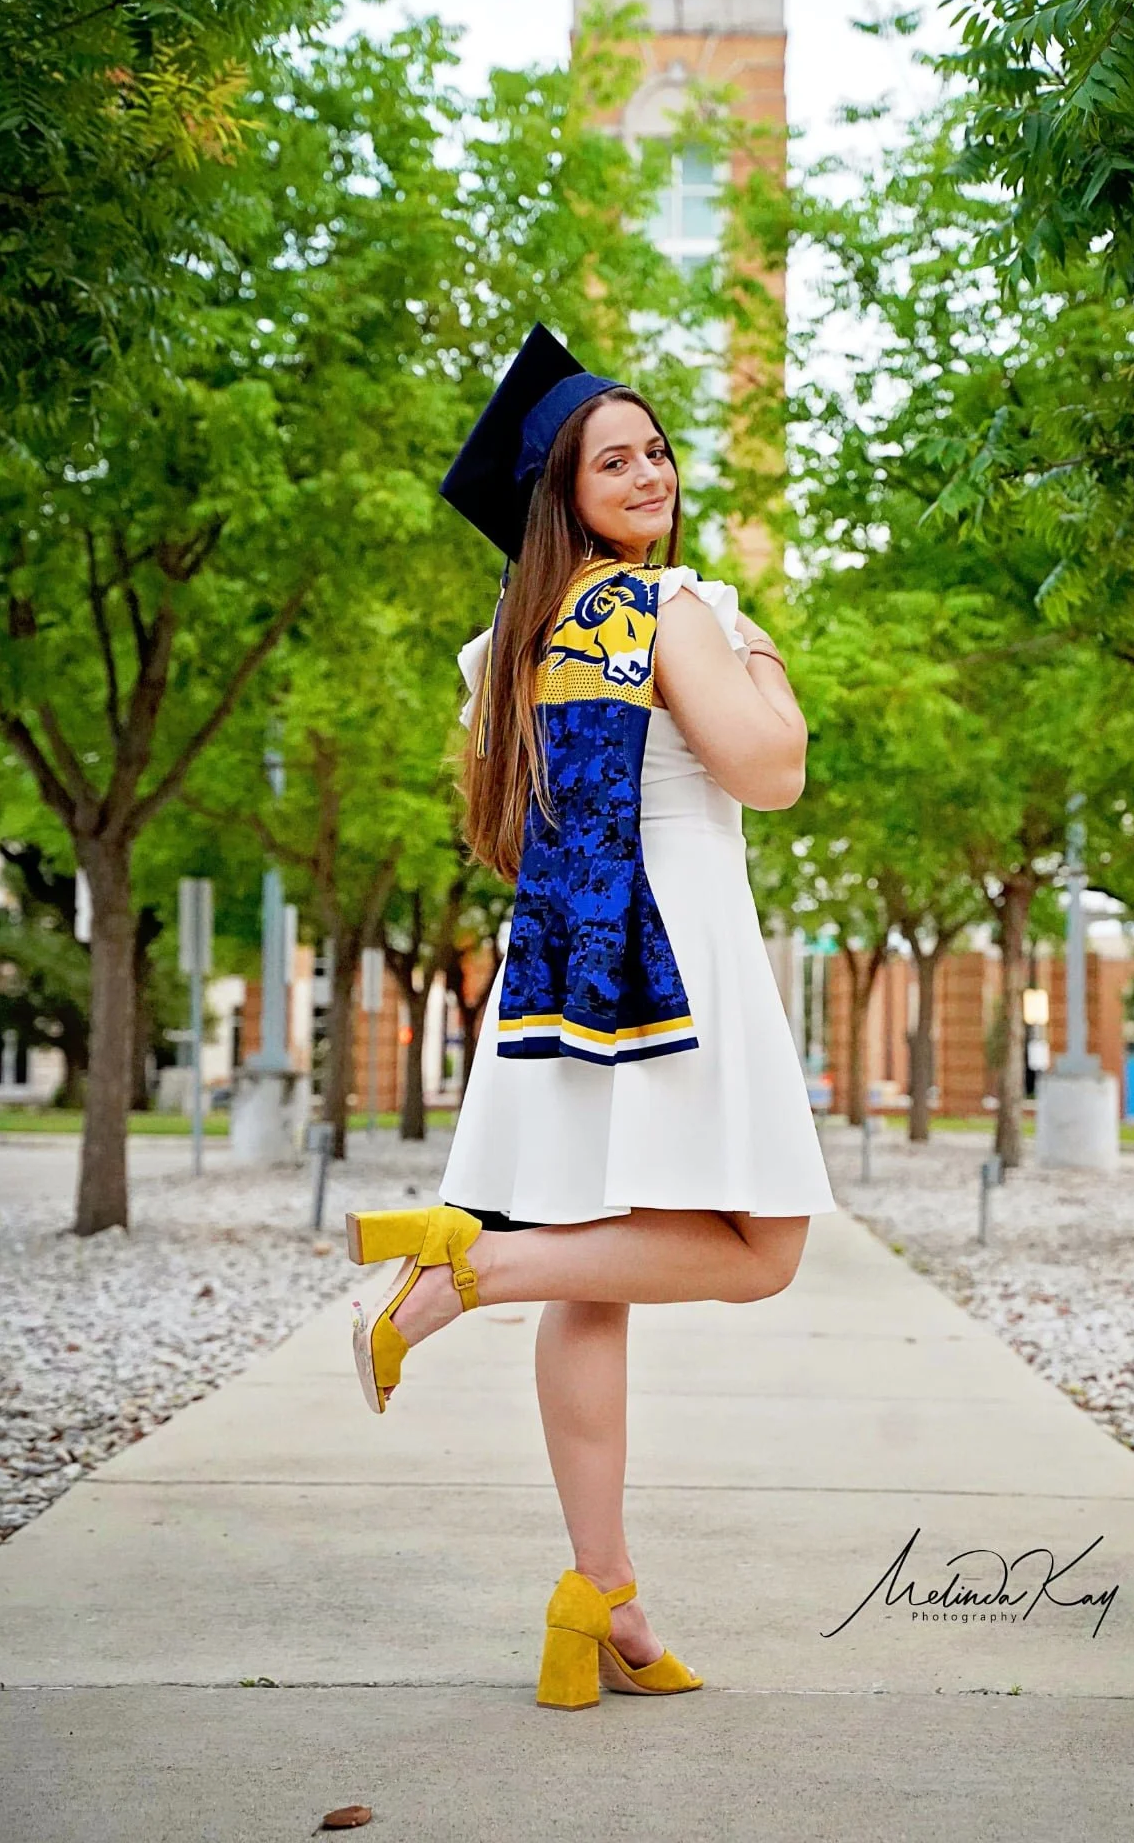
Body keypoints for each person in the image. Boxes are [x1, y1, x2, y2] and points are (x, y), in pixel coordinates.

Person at [346, 324, 837, 1709]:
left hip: (565, 962)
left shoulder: (506, 642)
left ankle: (598, 1599)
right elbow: (770, 769)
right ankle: (463, 1271)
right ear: (562, 495)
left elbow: (512, 831)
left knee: (592, 1268)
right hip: (682, 952)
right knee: (763, 1252)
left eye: (657, 449)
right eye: (612, 459)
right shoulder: (676, 606)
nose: (651, 473)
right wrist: (769, 666)